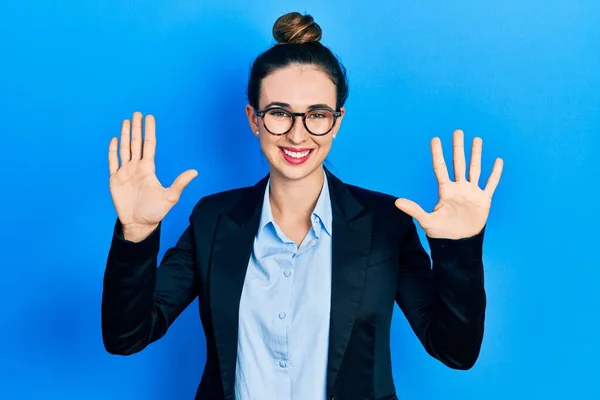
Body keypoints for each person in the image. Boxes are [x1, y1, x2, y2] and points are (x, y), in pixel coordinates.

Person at [102, 11, 503, 400]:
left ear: (338, 120)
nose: (297, 135)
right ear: (253, 119)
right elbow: (126, 336)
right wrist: (135, 234)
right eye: (279, 113)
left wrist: (460, 248)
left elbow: (454, 351)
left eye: (317, 115)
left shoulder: (385, 223)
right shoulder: (213, 219)